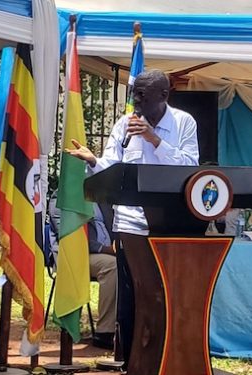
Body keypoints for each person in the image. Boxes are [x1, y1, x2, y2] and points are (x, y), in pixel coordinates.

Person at [64, 69, 199, 365]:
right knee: (130, 294)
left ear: (164, 96)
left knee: (160, 293)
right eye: (134, 93)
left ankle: (161, 356)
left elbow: (190, 167)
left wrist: (154, 140)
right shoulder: (124, 124)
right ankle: (128, 359)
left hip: (166, 225)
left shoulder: (183, 123)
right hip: (129, 224)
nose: (135, 101)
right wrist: (94, 161)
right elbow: (112, 169)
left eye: (142, 95)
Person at [49, 191, 117, 349]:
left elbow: (117, 227)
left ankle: (129, 326)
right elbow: (67, 234)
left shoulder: (103, 197)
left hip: (106, 253)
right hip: (75, 255)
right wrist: (106, 249)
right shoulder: (63, 196)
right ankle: (105, 332)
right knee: (112, 265)